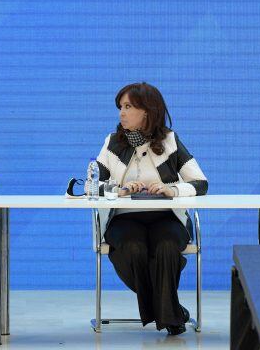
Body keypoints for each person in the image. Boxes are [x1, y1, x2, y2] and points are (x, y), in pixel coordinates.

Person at [94, 82, 208, 335]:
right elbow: (94, 185)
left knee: (167, 246)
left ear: (147, 111)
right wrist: (119, 190)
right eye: (120, 107)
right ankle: (172, 312)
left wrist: (172, 190)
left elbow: (200, 183)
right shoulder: (112, 143)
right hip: (124, 219)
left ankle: (166, 311)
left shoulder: (170, 141)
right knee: (133, 248)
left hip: (166, 217)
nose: (121, 113)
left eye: (128, 107)